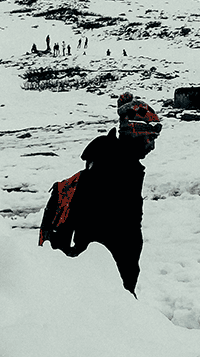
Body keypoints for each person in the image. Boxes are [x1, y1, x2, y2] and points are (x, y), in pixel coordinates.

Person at [67, 92, 162, 294]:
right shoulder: (118, 169)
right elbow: (114, 231)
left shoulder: (108, 158)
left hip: (102, 268)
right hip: (108, 274)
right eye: (150, 138)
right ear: (135, 133)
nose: (153, 146)